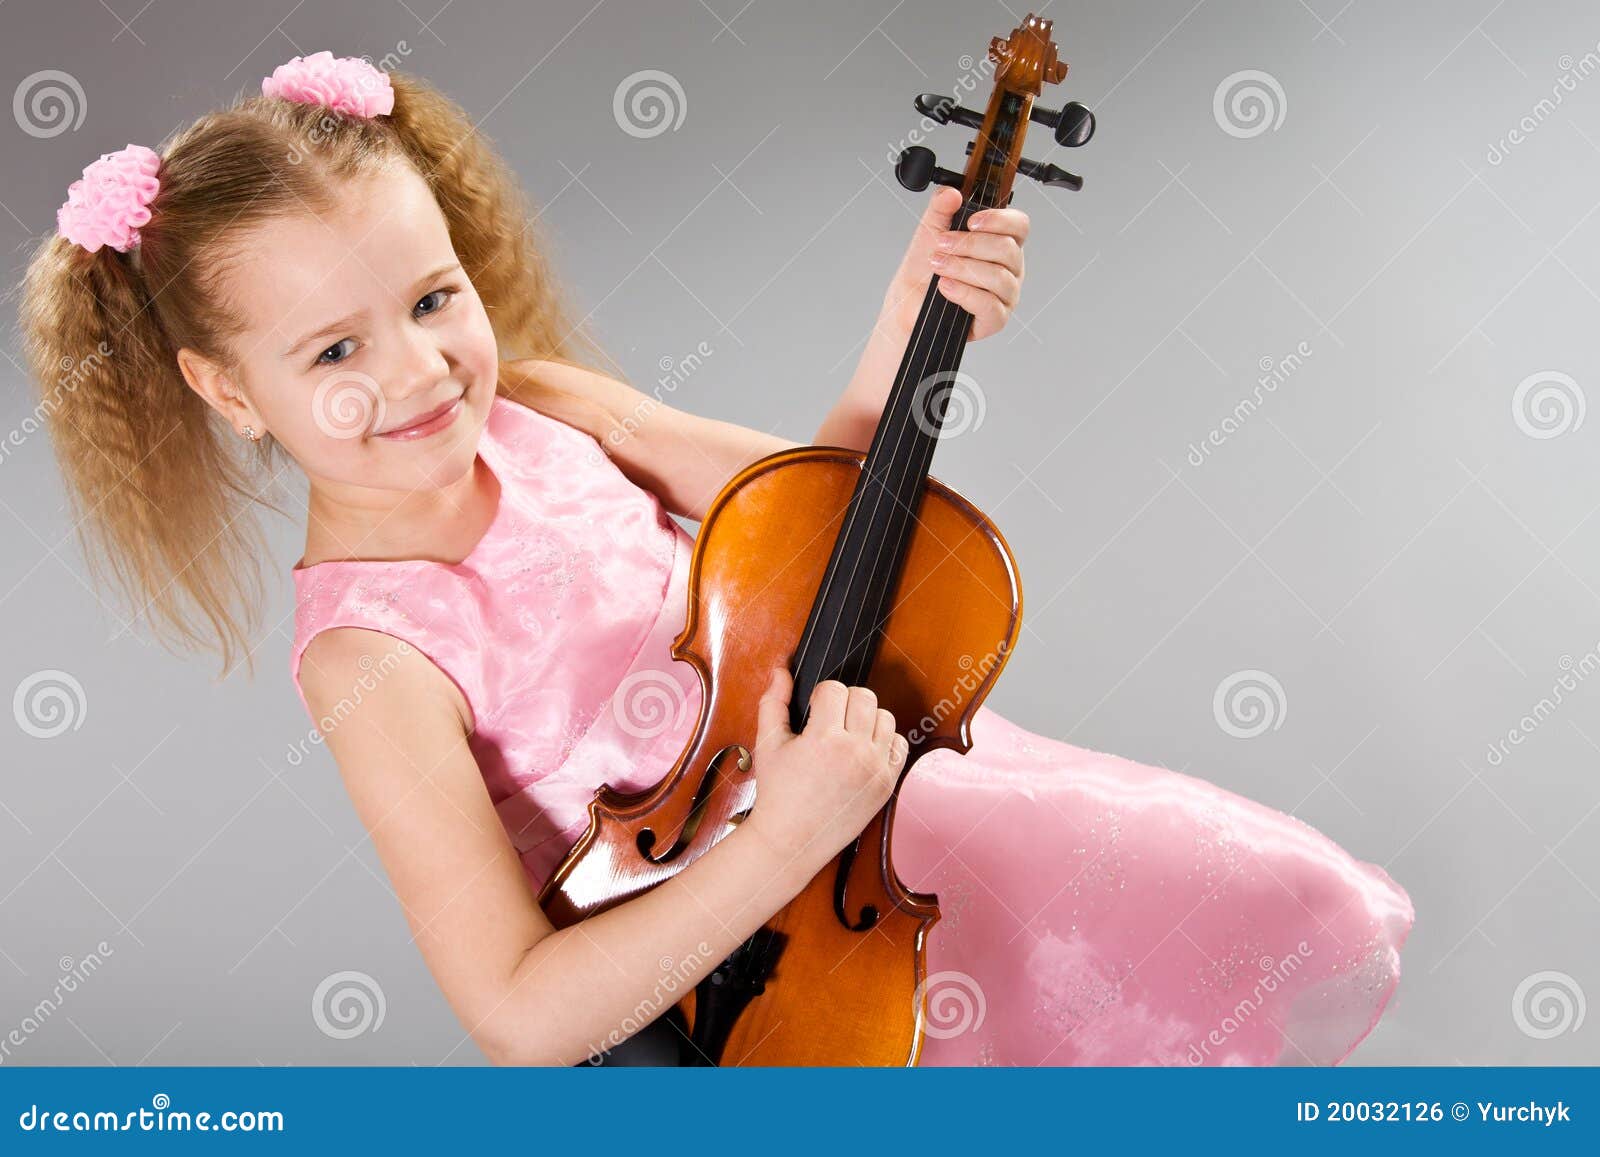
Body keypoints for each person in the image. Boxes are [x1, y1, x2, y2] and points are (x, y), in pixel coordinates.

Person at [19, 52, 1413, 1067]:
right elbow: (518, 1010)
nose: (422, 366)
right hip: (738, 966)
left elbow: (818, 509)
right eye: (335, 349)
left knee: (1205, 887)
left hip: (865, 813)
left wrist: (912, 314)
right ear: (226, 388)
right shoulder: (372, 651)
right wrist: (789, 832)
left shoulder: (553, 404)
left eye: (434, 296)